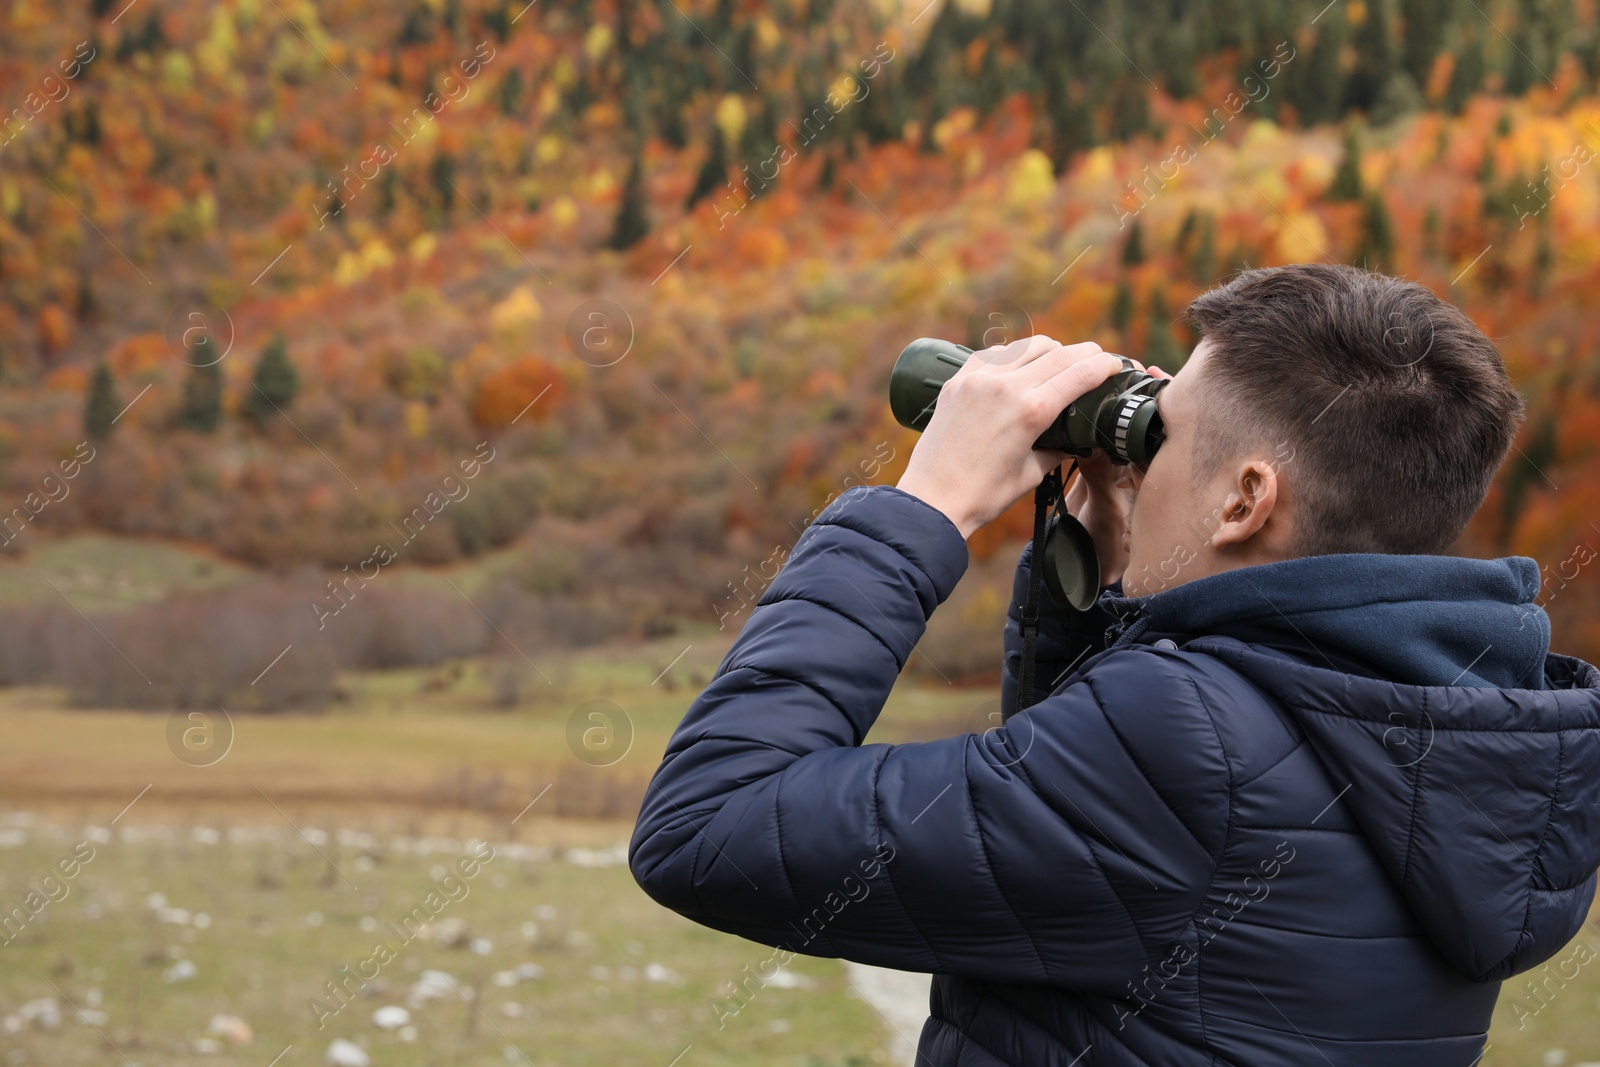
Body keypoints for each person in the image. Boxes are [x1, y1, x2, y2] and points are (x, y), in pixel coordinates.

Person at [628, 263, 1600, 1065]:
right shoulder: (1447, 726)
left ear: (1243, 499)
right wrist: (1097, 580)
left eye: (1161, 428)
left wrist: (922, 510)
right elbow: (1073, 863)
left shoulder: (1191, 743)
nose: (1139, 453)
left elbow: (710, 822)